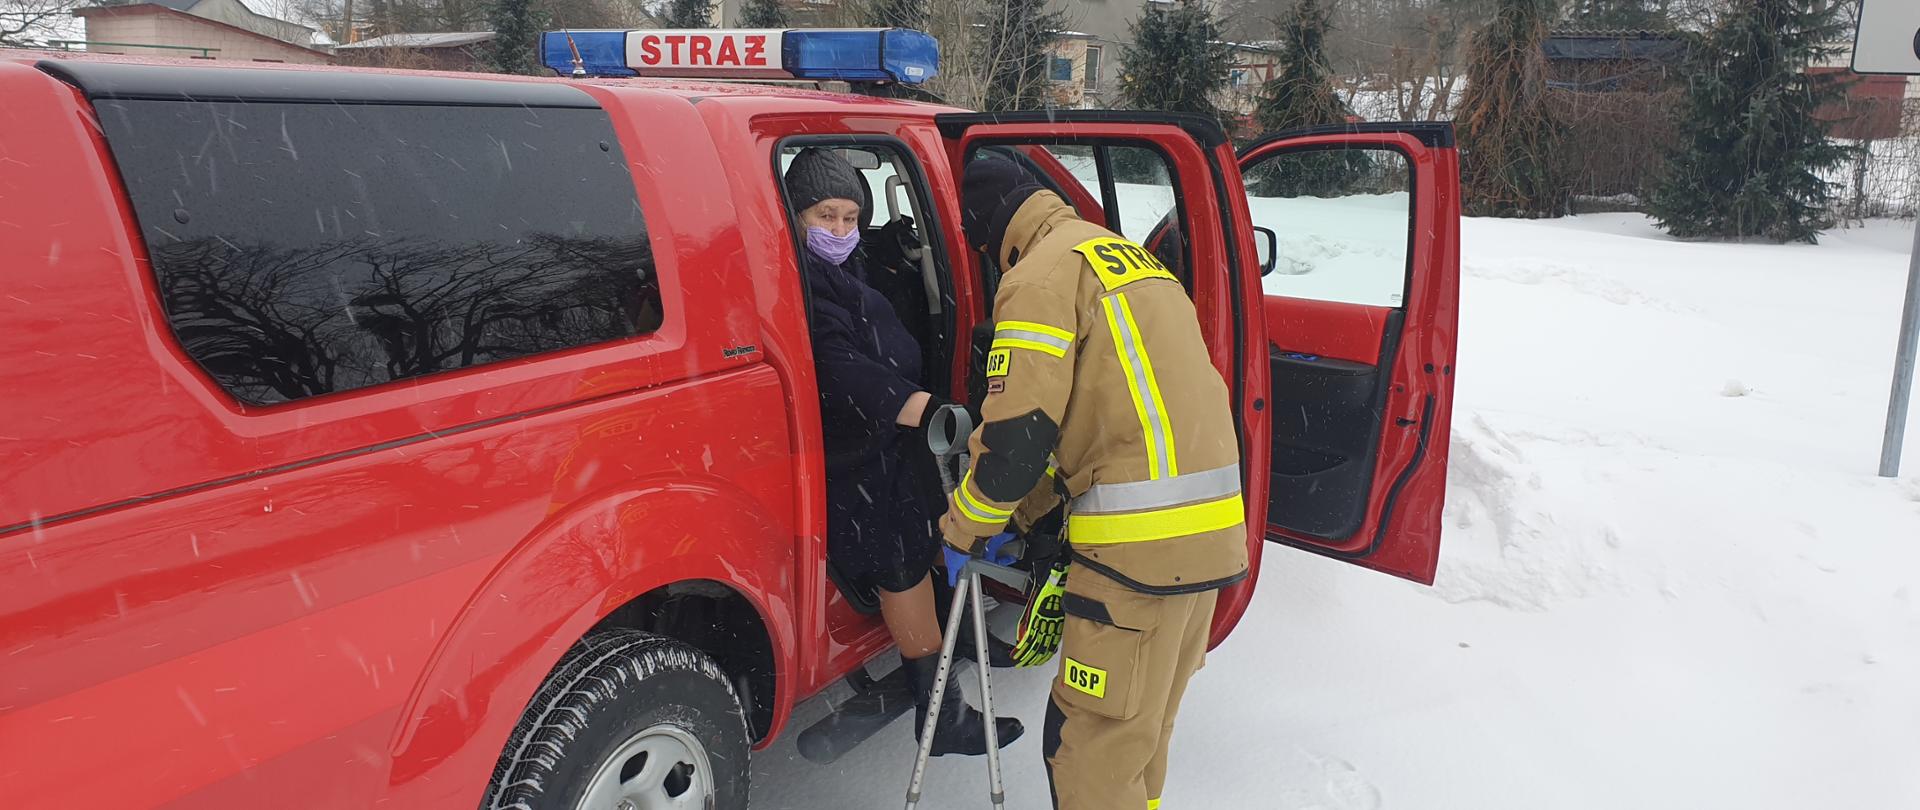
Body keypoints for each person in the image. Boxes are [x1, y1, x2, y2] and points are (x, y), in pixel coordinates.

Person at [939, 157, 1251, 810]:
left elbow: (1018, 433)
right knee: (1141, 740)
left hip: (1136, 555)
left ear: (992, 236)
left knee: (1087, 750)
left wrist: (966, 526)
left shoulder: (1037, 278)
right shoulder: (1124, 257)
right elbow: (1109, 419)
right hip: (1205, 538)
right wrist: (1028, 514)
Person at [783, 148, 1023, 756]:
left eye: (848, 217)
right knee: (901, 558)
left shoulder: (851, 264)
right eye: (823, 215)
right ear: (794, 212)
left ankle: (949, 642)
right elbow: (835, 365)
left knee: (926, 533)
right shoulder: (794, 278)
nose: (837, 231)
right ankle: (939, 714)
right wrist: (918, 406)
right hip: (856, 445)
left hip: (889, 435)